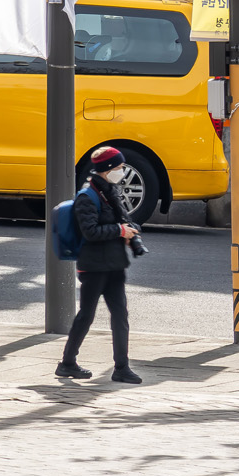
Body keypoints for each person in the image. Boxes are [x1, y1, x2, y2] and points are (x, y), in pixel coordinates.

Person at [56, 146, 143, 383]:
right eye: (119, 167)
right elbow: (91, 232)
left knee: (120, 316)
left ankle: (122, 368)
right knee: (86, 315)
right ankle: (67, 363)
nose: (122, 171)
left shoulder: (111, 191)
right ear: (107, 169)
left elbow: (122, 220)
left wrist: (130, 231)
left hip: (114, 264)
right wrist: (120, 231)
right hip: (93, 267)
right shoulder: (87, 197)